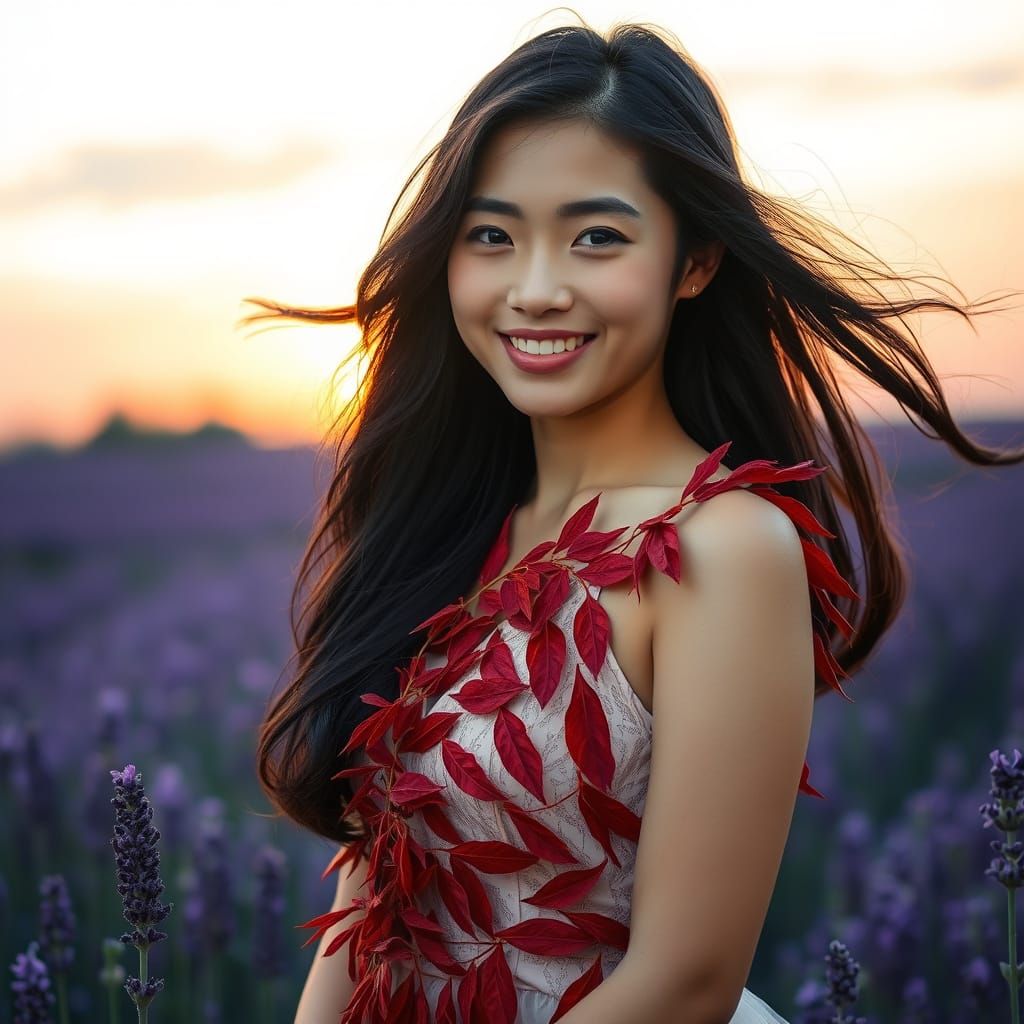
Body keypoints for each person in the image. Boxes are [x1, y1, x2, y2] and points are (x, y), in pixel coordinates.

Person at [240, 18, 1024, 1024]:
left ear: (693, 261)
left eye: (595, 237)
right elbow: (374, 900)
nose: (533, 288)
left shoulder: (722, 546)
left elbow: (685, 982)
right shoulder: (448, 529)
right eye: (491, 236)